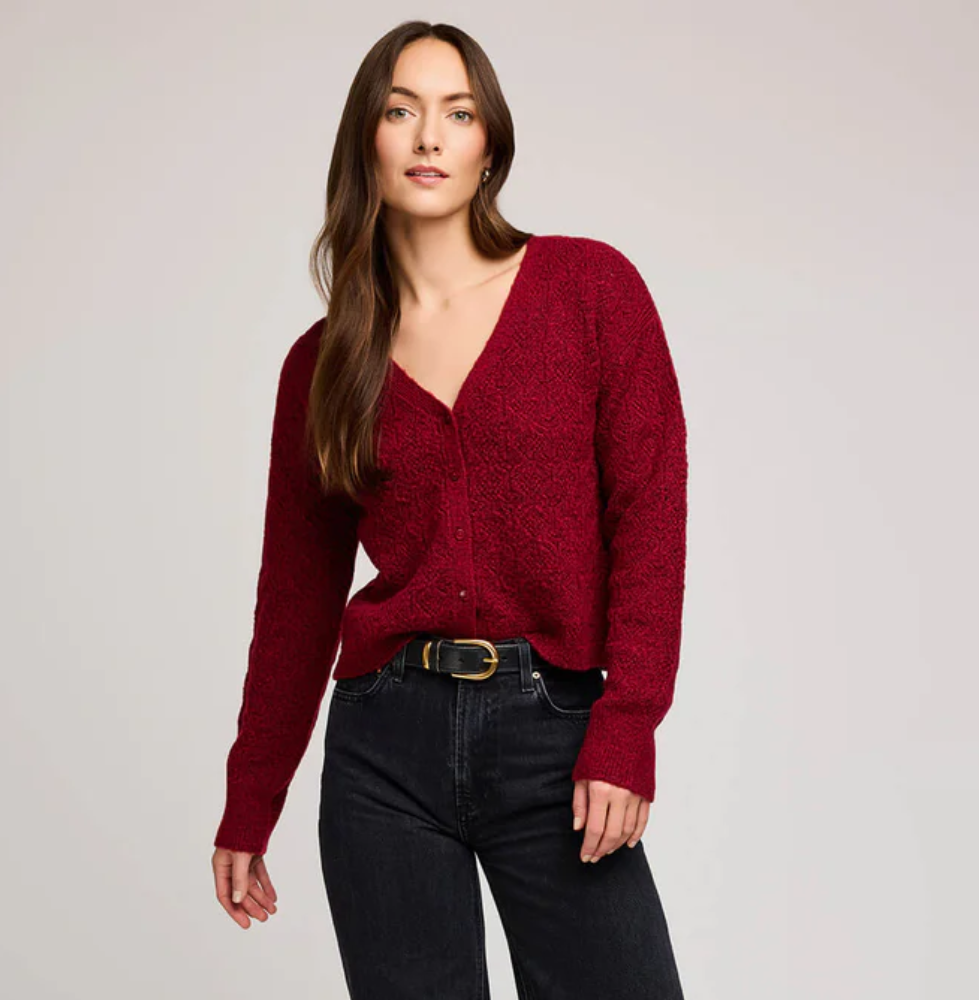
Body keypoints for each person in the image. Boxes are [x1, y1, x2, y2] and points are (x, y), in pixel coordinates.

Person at [211, 19, 688, 1000]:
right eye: (402, 110)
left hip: (557, 736)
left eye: (458, 113)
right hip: (384, 754)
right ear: (367, 139)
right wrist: (250, 798)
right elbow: (295, 598)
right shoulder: (324, 362)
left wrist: (626, 726)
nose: (429, 136)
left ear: (489, 147)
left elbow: (649, 520)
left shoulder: (590, 292)